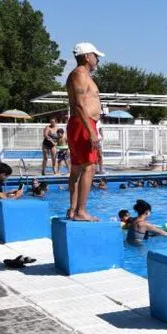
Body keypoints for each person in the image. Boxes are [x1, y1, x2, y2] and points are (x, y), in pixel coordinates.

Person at [66, 42, 105, 221]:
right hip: (83, 123)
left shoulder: (83, 75)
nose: (97, 59)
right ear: (87, 56)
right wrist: (90, 130)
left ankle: (73, 210)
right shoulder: (79, 74)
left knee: (76, 169)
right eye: (95, 56)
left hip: (81, 123)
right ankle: (81, 211)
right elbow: (80, 104)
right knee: (89, 167)